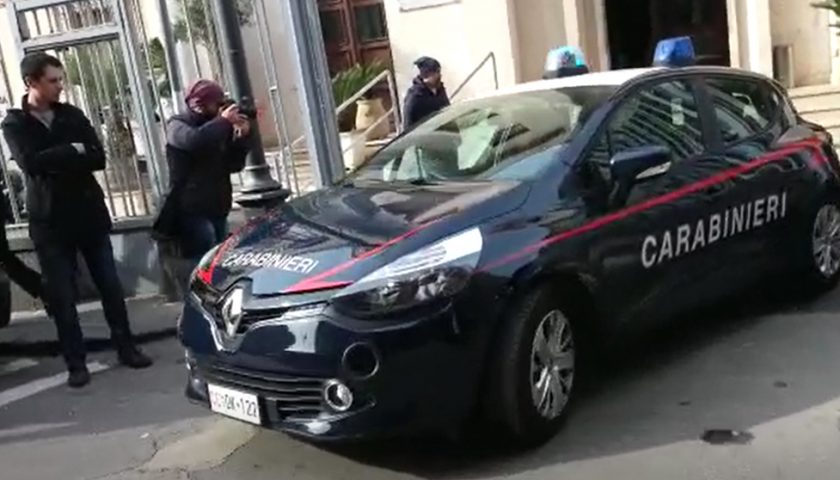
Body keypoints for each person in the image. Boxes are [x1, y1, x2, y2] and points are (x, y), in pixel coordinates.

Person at [1, 52, 152, 388]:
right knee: (62, 297)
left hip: (89, 216)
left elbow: (97, 156)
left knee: (110, 287)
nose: (60, 87)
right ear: (32, 82)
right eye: (53, 81)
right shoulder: (15, 123)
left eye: (60, 79)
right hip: (50, 223)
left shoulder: (72, 115)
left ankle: (126, 347)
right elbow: (30, 163)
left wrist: (65, 155)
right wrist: (73, 151)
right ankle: (76, 363)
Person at [165, 80, 250, 268]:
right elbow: (194, 141)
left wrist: (241, 139)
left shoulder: (218, 127)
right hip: (192, 209)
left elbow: (233, 165)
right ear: (200, 104)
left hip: (218, 206)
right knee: (202, 263)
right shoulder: (178, 125)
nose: (220, 107)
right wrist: (223, 122)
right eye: (216, 103)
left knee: (218, 262)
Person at [403, 56, 450, 130]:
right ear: (426, 75)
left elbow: (447, 113)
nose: (438, 76)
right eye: (435, 73)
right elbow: (408, 124)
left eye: (438, 72)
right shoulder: (415, 96)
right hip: (425, 137)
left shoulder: (441, 91)